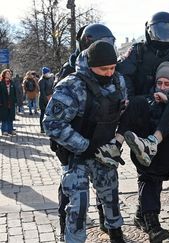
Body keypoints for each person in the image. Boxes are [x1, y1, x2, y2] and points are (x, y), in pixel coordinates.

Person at [43, 40, 127, 243]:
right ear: (90, 66)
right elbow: (52, 124)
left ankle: (115, 232)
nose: (109, 73)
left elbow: (124, 111)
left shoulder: (118, 80)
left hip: (105, 152)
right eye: (103, 68)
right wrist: (84, 146)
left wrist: (117, 141)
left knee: (110, 195)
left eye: (113, 67)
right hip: (77, 155)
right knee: (78, 206)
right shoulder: (71, 85)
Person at [119, 61, 169, 242]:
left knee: (153, 181)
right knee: (149, 180)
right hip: (146, 155)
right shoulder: (146, 100)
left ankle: (140, 216)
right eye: (160, 83)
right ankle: (152, 226)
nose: (162, 87)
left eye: (167, 84)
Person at [116, 11, 169, 98]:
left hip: (166, 100)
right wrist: (131, 100)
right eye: (160, 31)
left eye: (168, 32)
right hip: (140, 101)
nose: (164, 36)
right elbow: (124, 74)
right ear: (149, 31)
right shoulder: (139, 50)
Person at [0, 69, 17, 136]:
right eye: (7, 73)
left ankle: (11, 130)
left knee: (11, 116)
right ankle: (4, 130)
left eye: (9, 74)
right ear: (4, 75)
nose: (9, 75)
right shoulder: (1, 83)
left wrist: (15, 100)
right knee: (4, 117)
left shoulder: (12, 82)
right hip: (3, 102)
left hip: (11, 102)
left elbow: (14, 93)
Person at [38, 67, 54, 133]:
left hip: (50, 97)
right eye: (47, 73)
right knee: (43, 113)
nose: (48, 74)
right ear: (44, 74)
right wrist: (47, 100)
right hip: (44, 99)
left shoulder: (50, 79)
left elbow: (51, 88)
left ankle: (48, 127)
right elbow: (42, 92)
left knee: (50, 114)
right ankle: (42, 128)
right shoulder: (41, 80)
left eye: (49, 72)